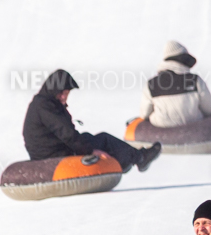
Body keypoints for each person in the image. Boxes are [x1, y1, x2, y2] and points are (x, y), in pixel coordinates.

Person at [23, 69, 160, 173]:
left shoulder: (43, 103)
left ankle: (127, 160)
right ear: (53, 90)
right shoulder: (46, 106)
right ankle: (139, 158)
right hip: (51, 154)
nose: (64, 97)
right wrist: (90, 151)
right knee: (103, 140)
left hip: (50, 150)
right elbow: (67, 134)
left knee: (88, 138)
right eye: (62, 93)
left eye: (67, 93)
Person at [139, 40, 211, 127]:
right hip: (195, 129)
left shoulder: (151, 84)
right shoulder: (195, 80)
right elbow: (210, 109)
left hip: (161, 131)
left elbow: (144, 114)